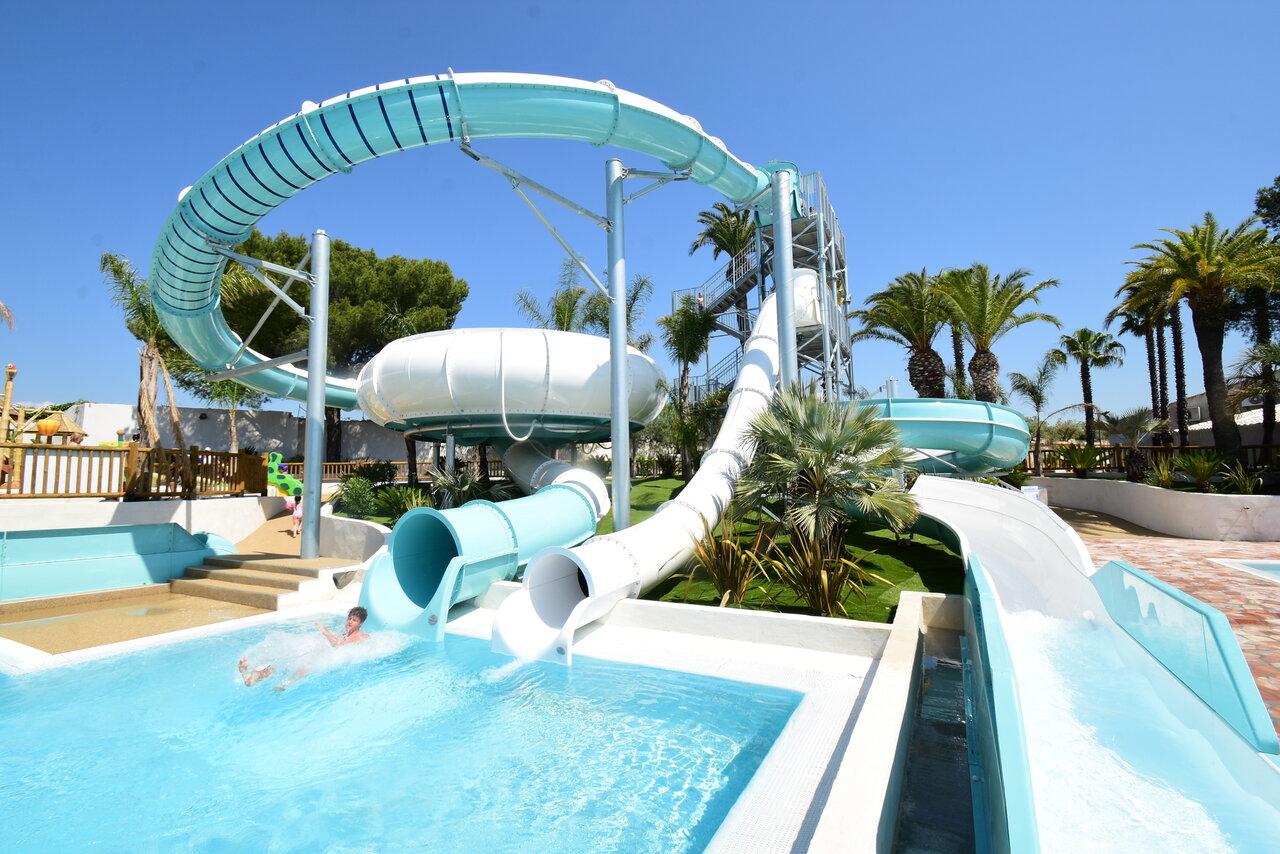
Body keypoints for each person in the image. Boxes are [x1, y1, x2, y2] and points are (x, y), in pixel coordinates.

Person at [239, 607, 369, 691]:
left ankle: (287, 684)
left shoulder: (360, 637)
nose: (350, 622)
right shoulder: (344, 635)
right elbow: (336, 641)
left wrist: (325, 632)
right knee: (284, 662)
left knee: (310, 661)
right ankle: (254, 675)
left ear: (361, 623)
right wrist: (325, 632)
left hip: (331, 666)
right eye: (349, 618)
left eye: (354, 620)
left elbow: (339, 647)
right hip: (323, 658)